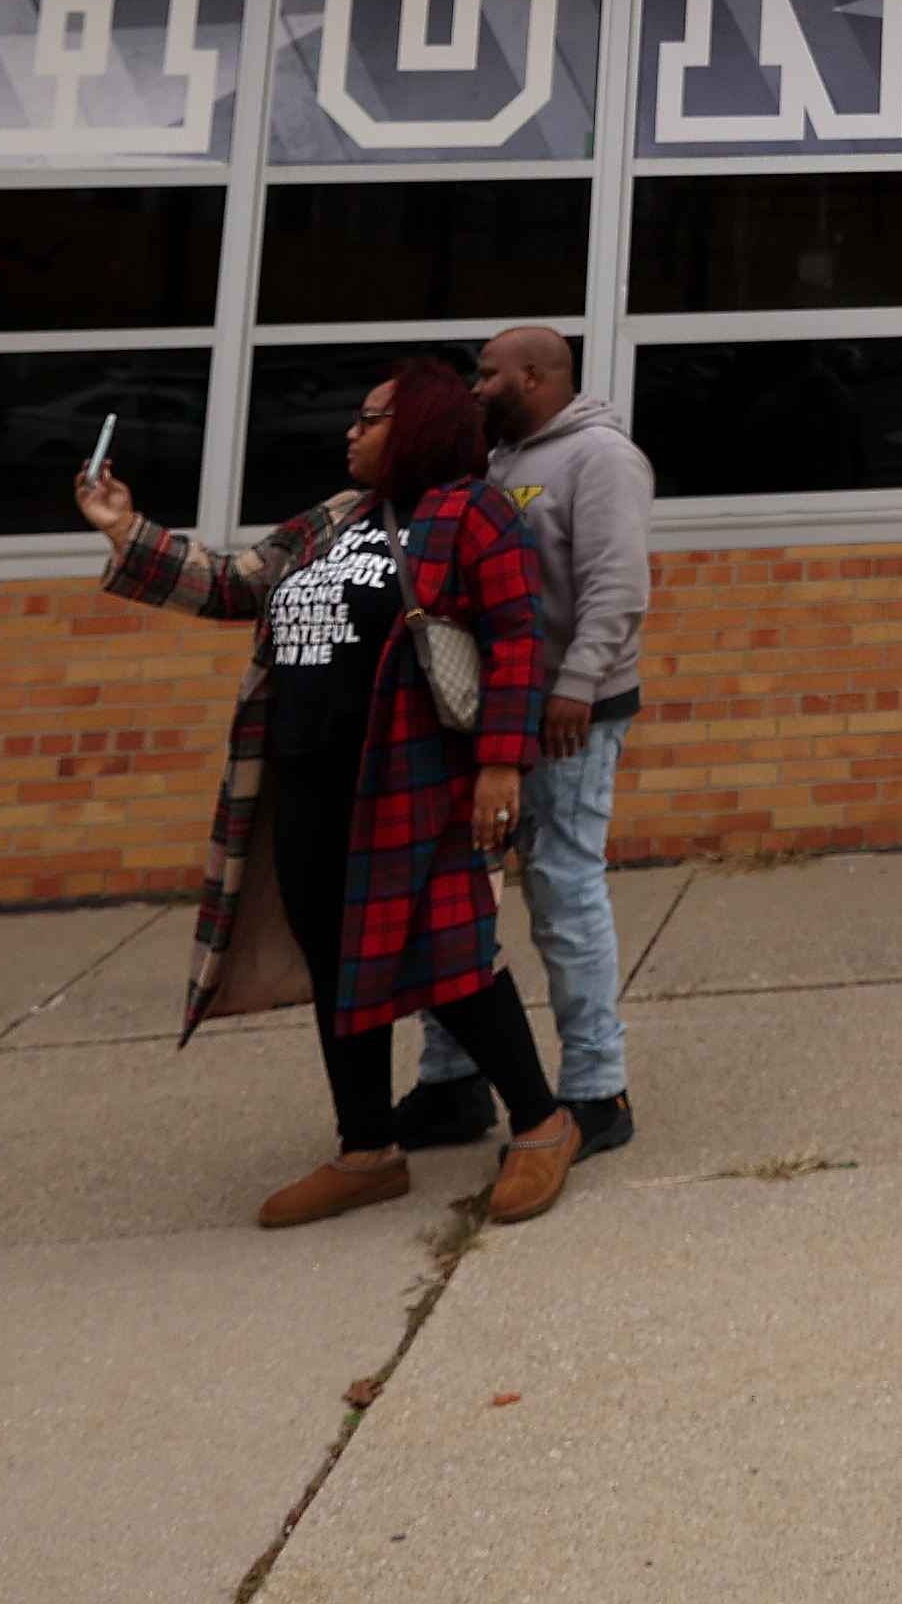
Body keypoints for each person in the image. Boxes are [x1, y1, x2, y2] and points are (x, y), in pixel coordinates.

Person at [74, 355, 585, 1229]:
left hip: (412, 773)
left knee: (449, 953)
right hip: (307, 773)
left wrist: (502, 763)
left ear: (420, 424)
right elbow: (240, 581)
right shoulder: (333, 518)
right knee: (336, 956)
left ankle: (541, 1122)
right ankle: (366, 1149)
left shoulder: (474, 512)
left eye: (371, 417)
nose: (351, 430)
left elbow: (516, 641)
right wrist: (128, 533)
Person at [401, 321, 653, 1157]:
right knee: (453, 898)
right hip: (487, 716)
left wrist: (578, 682)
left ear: (536, 375)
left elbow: (618, 585)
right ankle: (452, 1081)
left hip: (568, 718)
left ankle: (595, 1089)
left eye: (488, 373)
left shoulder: (600, 459)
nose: (475, 387)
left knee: (562, 889)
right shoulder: (499, 461)